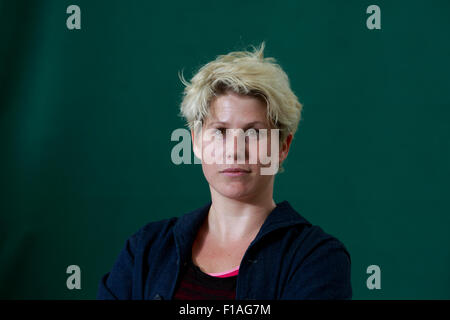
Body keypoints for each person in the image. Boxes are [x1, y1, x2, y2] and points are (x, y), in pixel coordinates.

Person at [97, 42, 352, 300]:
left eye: (254, 132)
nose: (234, 150)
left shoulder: (316, 258)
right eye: (220, 131)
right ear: (195, 141)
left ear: (282, 146)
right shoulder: (145, 249)